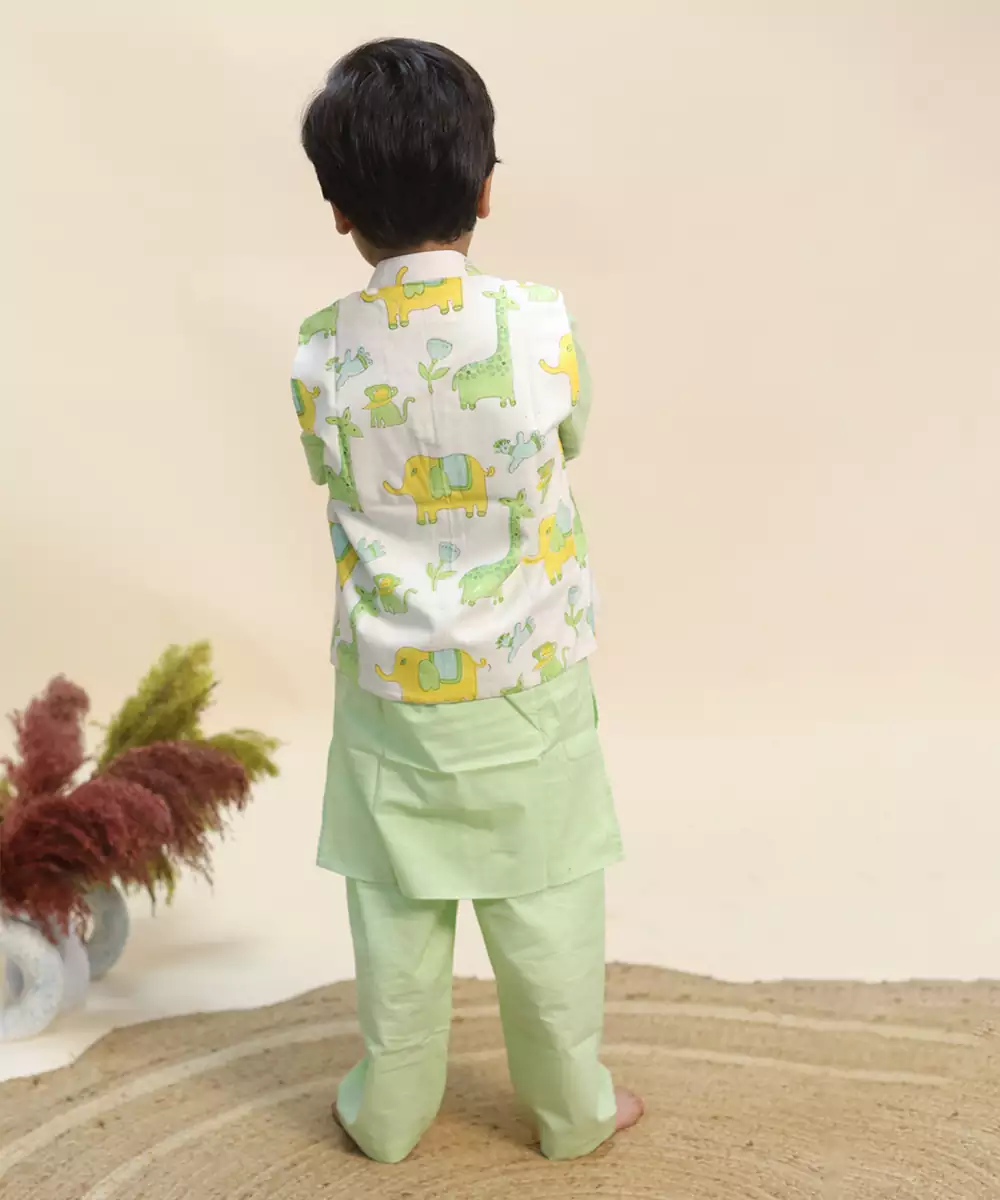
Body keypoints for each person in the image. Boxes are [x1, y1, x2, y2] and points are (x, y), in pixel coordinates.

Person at [291, 36, 643, 1164]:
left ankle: (388, 1115)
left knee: (395, 911)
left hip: (390, 688)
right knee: (549, 906)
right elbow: (570, 432)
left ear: (339, 211)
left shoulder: (319, 352)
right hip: (529, 678)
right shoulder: (538, 324)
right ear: (486, 186)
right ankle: (573, 1113)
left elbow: (330, 467)